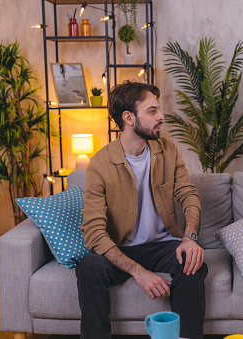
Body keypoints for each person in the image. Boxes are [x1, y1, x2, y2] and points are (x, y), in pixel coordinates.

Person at [76, 80, 208, 339]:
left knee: (193, 264)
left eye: (158, 110)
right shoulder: (100, 164)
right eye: (151, 111)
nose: (161, 117)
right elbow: (93, 233)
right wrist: (138, 271)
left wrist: (190, 238)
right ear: (128, 118)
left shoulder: (167, 149)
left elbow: (187, 193)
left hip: (162, 245)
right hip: (121, 246)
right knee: (89, 266)